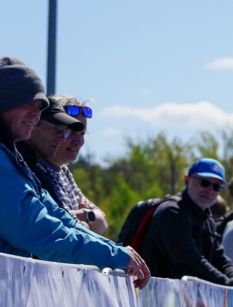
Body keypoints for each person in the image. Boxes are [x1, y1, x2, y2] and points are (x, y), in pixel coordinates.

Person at [0, 56, 149, 286]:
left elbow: (60, 220)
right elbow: (43, 234)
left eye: (39, 108)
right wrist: (116, 256)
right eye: (28, 103)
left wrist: (118, 251)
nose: (35, 113)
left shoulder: (13, 160)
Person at [137, 157, 233, 294]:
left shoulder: (206, 219)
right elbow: (190, 262)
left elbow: (219, 260)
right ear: (187, 181)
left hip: (183, 301)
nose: (210, 191)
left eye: (216, 187)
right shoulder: (172, 212)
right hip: (156, 300)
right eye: (204, 183)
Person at [34, 96, 108, 235]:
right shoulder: (35, 169)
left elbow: (102, 224)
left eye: (82, 133)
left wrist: (83, 217)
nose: (79, 141)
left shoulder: (64, 171)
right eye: (70, 132)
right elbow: (64, 228)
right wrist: (88, 215)